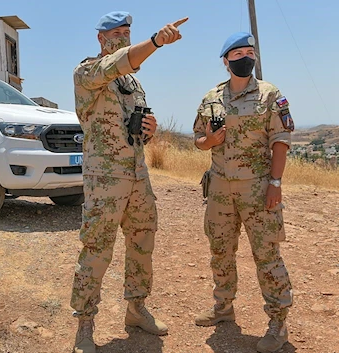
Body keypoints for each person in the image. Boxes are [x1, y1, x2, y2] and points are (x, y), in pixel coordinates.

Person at [70, 11, 188, 353]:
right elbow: (118, 63)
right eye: (116, 33)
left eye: (127, 32)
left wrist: (148, 129)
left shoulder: (133, 83)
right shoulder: (87, 72)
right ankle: (84, 325)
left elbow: (133, 121)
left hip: (137, 176)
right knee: (96, 250)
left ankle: (136, 309)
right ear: (101, 38)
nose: (122, 37)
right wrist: (155, 41)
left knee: (142, 244)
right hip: (105, 180)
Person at [192, 32, 294, 353]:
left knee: (266, 254)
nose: (245, 58)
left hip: (257, 187)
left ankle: (277, 322)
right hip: (220, 187)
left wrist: (275, 182)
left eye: (250, 52)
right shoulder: (211, 97)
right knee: (220, 250)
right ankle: (223, 307)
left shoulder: (269, 94)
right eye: (238, 54)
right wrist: (209, 142)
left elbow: (281, 140)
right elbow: (197, 138)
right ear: (226, 61)